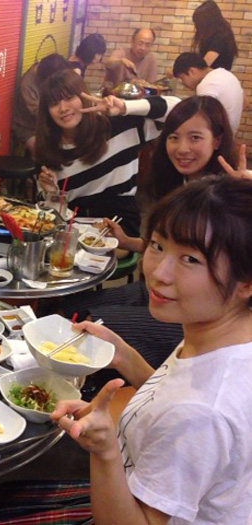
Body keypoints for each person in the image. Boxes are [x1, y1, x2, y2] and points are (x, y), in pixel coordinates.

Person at [52, 177, 252, 524]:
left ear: (246, 283)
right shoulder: (224, 336)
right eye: (158, 245)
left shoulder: (200, 412)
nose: (159, 272)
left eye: (190, 259)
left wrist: (104, 451)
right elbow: (172, 393)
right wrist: (123, 356)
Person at [56, 96, 247, 373]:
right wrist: (128, 241)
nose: (182, 148)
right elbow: (175, 249)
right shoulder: (180, 186)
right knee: (68, 308)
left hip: (192, 315)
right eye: (173, 137)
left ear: (217, 140)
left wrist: (124, 107)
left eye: (195, 137)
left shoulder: (231, 201)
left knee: (85, 326)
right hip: (154, 291)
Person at [34, 69, 179, 237]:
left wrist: (124, 107)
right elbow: (50, 212)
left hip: (119, 221)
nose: (63, 108)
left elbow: (178, 109)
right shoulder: (48, 148)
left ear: (84, 97)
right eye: (54, 104)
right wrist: (51, 193)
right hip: (73, 227)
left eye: (69, 98)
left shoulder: (120, 125)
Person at [11, 53, 71, 157]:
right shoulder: (27, 85)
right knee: (44, 152)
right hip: (27, 128)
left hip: (47, 124)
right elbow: (38, 113)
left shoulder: (46, 67)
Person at [173, 52, 244, 133]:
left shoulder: (206, 85)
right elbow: (244, 103)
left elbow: (201, 121)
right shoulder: (227, 74)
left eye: (182, 78)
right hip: (229, 134)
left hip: (217, 136)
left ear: (192, 71)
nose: (184, 84)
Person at [192, 0, 238, 70]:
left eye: (199, 24)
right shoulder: (222, 33)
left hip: (216, 76)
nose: (197, 27)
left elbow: (204, 66)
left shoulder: (219, 38)